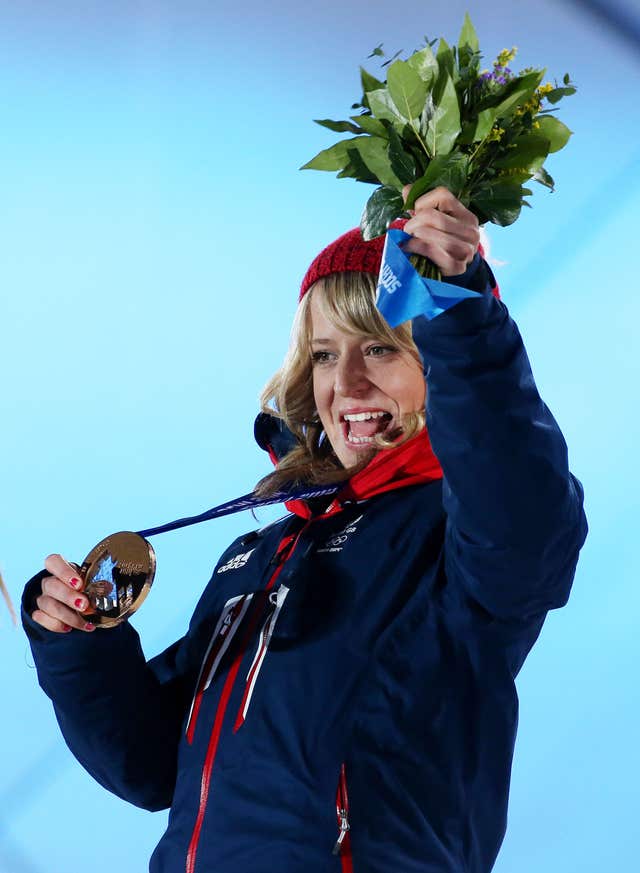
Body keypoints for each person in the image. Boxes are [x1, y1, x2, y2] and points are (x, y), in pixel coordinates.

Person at [22, 188, 587, 873]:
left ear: (434, 360)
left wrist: (458, 309)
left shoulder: (460, 535)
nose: (346, 382)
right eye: (323, 354)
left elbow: (516, 507)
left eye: (379, 348)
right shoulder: (259, 557)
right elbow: (149, 764)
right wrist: (80, 646)